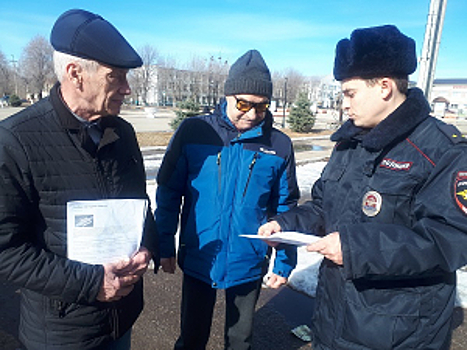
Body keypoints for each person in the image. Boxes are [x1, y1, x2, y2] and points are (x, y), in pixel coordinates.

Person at [259, 25, 467, 350]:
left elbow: (449, 238)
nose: (344, 104)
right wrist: (284, 224)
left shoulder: (441, 150)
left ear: (384, 87)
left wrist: (356, 249)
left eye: (350, 93)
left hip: (398, 333)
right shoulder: (351, 142)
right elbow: (322, 205)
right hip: (334, 319)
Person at [0, 9, 159, 350]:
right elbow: (6, 250)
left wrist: (148, 244)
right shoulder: (16, 141)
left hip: (121, 320)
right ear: (75, 74)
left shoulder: (123, 132)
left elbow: (139, 205)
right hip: (62, 332)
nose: (127, 89)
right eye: (115, 76)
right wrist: (92, 284)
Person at [155, 49, 299, 350]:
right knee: (192, 337)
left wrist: (284, 261)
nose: (252, 114)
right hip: (201, 254)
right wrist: (163, 240)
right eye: (243, 104)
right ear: (228, 95)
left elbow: (285, 207)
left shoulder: (279, 145)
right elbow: (169, 191)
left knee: (240, 340)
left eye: (261, 107)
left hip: (249, 259)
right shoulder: (195, 131)